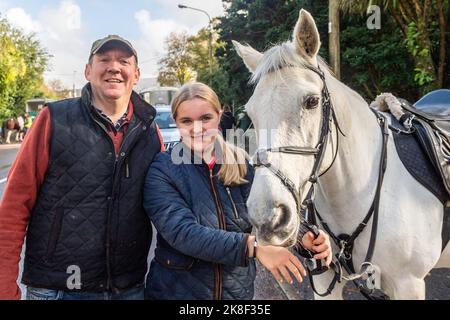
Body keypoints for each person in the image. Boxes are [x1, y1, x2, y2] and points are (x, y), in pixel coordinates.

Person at [0, 35, 164, 300]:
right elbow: (13, 208)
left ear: (136, 75)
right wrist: (5, 289)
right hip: (57, 290)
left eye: (123, 61)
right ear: (88, 71)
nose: (114, 67)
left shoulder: (149, 131)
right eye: (104, 60)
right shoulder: (54, 119)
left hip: (129, 290)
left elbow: (169, 208)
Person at [143, 82, 332, 300]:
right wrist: (254, 248)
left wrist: (303, 238)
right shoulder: (162, 169)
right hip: (175, 293)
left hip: (237, 294)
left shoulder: (241, 163)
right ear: (177, 122)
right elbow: (184, 233)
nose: (197, 128)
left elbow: (268, 212)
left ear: (219, 116)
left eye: (206, 118)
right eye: (187, 121)